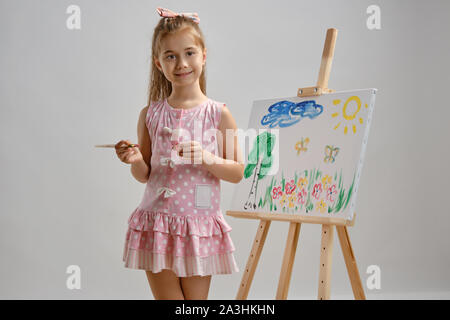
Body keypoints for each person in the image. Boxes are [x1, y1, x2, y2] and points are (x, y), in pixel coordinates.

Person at [115, 7, 244, 300]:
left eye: (189, 53)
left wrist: (206, 158)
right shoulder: (150, 114)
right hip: (156, 224)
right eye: (170, 56)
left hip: (197, 227)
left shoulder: (218, 114)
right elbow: (144, 175)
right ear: (158, 63)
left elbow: (238, 171)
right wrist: (135, 161)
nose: (181, 63)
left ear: (203, 55)